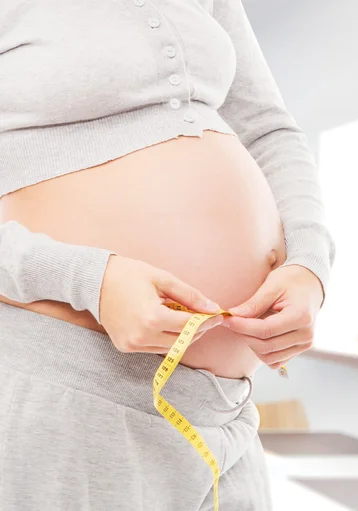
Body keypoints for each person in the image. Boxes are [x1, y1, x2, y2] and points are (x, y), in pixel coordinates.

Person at [0, 1, 335, 509]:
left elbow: (270, 131)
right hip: (59, 384)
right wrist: (88, 277)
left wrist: (309, 263)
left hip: (228, 407)